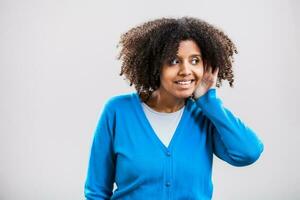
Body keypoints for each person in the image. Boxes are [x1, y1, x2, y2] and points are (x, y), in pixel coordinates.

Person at [84, 16, 264, 200]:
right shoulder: (117, 111)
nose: (186, 70)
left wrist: (208, 102)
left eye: (195, 61)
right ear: (155, 66)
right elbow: (96, 191)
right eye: (174, 61)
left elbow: (248, 152)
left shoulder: (205, 117)